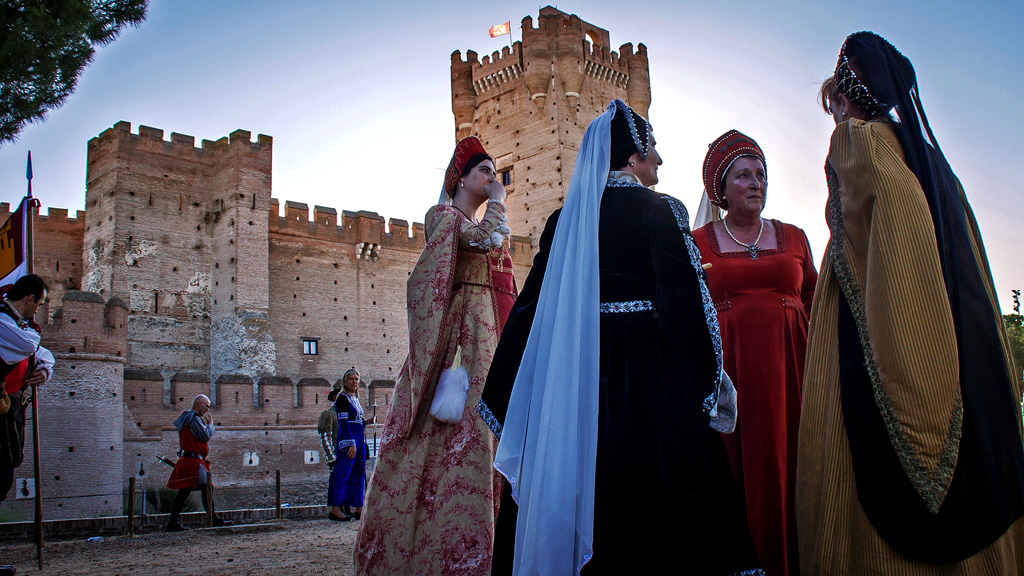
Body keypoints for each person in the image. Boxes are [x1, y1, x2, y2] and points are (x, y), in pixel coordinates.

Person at [479, 100, 761, 575]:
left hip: (575, 378)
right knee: (656, 497)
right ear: (632, 157)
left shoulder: (563, 220)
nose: (659, 159)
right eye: (653, 149)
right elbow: (685, 304)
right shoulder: (662, 210)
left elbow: (531, 307)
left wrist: (506, 393)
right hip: (647, 378)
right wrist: (709, 382)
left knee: (585, 484)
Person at [797, 31, 1024, 573]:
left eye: (834, 107)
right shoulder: (933, 165)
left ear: (844, 101)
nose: (834, 120)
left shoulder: (862, 142)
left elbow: (898, 256)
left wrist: (913, 404)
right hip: (968, 350)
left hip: (883, 332)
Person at [354, 136, 516, 575]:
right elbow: (482, 239)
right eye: (484, 170)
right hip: (459, 345)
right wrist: (498, 201)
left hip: (488, 338)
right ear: (460, 179)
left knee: (486, 432)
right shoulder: (442, 217)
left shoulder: (477, 221)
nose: (492, 177)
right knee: (456, 432)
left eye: (493, 171)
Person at [693, 130, 816, 576]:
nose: (756, 183)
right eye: (743, 175)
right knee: (735, 472)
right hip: (731, 381)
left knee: (797, 463)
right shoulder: (696, 242)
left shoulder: (795, 238)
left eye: (761, 174)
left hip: (792, 375)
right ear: (721, 190)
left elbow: (816, 301)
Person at [0, 274, 53, 576]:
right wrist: (36, 345)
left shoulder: (16, 324)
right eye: (40, 304)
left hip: (10, 413)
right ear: (30, 299)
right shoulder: (3, 321)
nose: (39, 310)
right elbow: (28, 345)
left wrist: (43, 370)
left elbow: (42, 354)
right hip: (2, 412)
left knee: (3, 477)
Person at [165, 394, 231, 531]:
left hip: (187, 460)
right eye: (207, 406)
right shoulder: (194, 418)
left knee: (184, 492)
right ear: (200, 404)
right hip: (193, 461)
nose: (208, 409)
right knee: (207, 487)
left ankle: (172, 523)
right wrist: (210, 425)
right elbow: (205, 436)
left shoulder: (186, 418)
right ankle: (213, 520)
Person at [327, 367, 368, 521]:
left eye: (356, 379)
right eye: (351, 379)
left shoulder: (355, 398)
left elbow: (357, 420)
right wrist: (350, 443)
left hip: (360, 439)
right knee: (343, 473)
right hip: (349, 439)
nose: (354, 382)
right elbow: (343, 422)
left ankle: (359, 508)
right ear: (344, 381)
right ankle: (335, 509)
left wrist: (367, 422)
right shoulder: (342, 398)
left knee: (359, 473)